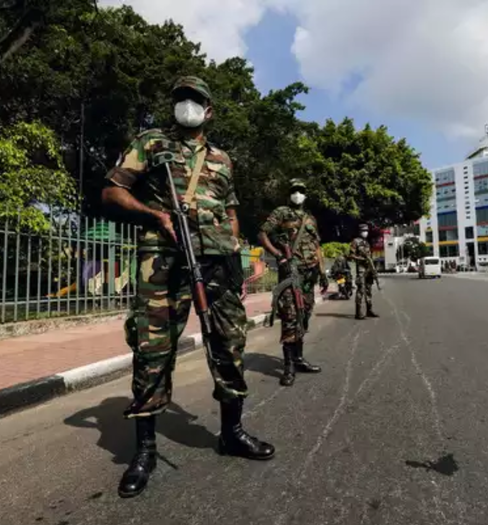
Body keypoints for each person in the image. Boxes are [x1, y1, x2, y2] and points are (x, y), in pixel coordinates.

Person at [102, 76, 275, 499]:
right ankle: (144, 452)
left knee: (230, 344)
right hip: (161, 262)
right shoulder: (152, 143)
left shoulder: (222, 159)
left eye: (195, 100)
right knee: (153, 351)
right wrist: (154, 216)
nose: (187, 105)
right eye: (180, 98)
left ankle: (231, 432)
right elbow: (111, 192)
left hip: (216, 265)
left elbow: (231, 211)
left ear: (209, 111)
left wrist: (234, 248)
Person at [258, 179, 328, 387]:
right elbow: (262, 234)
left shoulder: (311, 219)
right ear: (289, 194)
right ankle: (288, 366)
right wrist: (278, 254)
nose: (298, 194)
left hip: (309, 276)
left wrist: (323, 273)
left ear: (306, 194)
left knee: (303, 317)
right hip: (291, 274)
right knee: (290, 318)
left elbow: (317, 246)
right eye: (294, 191)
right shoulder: (281, 212)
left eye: (301, 191)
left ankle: (298, 359)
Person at [349, 223, 378, 320]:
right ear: (360, 231)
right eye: (363, 231)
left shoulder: (367, 243)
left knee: (368, 289)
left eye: (366, 231)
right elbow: (351, 256)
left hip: (369, 269)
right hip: (361, 269)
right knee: (361, 289)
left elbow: (370, 256)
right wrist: (362, 259)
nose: (365, 232)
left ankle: (369, 310)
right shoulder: (355, 242)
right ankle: (358, 312)